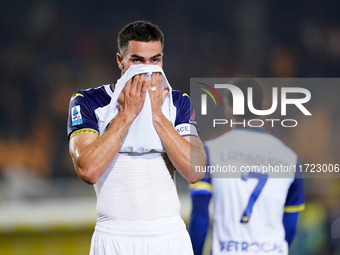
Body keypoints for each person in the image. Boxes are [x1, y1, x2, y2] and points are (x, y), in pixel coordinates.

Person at [67, 20, 206, 255]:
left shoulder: (177, 102)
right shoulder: (88, 101)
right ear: (121, 61)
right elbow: (88, 170)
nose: (148, 68)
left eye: (155, 60)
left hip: (169, 237)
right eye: (138, 60)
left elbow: (196, 171)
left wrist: (157, 116)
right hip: (114, 238)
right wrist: (128, 114)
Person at [189, 78, 305, 255]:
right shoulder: (290, 158)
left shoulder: (210, 152)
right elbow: (290, 225)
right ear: (264, 108)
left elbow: (200, 217)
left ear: (230, 109)